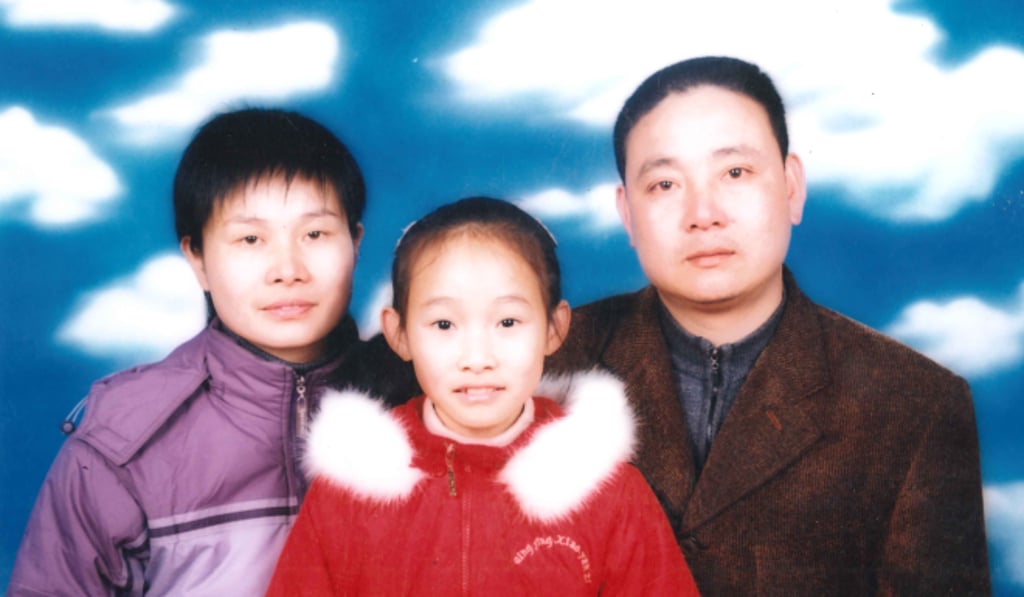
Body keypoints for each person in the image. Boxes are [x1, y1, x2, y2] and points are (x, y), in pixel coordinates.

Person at [545, 56, 991, 594]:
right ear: (627, 215)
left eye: (735, 173)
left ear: (791, 186)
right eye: (664, 184)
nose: (703, 213)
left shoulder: (916, 404)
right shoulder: (539, 360)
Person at [8, 108, 374, 596]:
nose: (288, 269)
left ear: (355, 242)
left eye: (314, 234)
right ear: (197, 258)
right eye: (250, 239)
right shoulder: (123, 444)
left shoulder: (424, 402)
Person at [265, 197, 700, 596]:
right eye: (444, 325)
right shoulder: (349, 486)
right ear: (399, 334)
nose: (477, 358)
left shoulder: (608, 490)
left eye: (508, 323)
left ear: (554, 328)